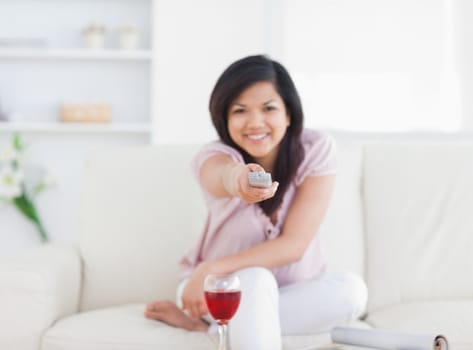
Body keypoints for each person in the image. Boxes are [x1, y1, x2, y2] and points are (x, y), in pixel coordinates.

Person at [144, 55, 368, 349]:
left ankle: (213, 330)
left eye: (268, 108)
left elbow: (294, 246)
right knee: (256, 280)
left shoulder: (316, 149)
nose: (255, 122)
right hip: (215, 291)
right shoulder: (212, 157)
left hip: (288, 292)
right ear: (224, 119)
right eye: (240, 111)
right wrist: (240, 180)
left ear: (289, 114)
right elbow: (222, 176)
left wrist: (212, 266)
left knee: (352, 291)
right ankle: (225, 322)